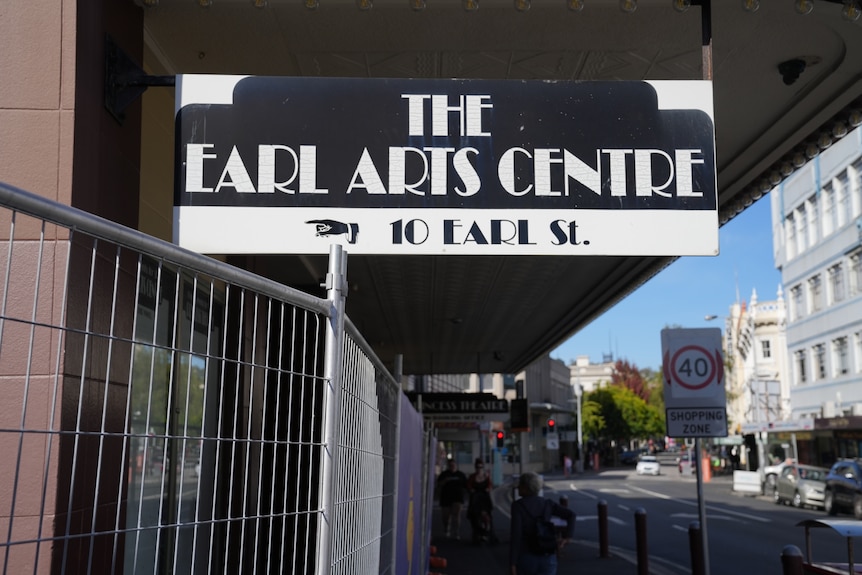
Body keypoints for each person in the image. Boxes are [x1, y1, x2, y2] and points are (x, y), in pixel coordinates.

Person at [510, 472, 575, 575]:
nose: (517, 487)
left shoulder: (518, 506)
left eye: (520, 485)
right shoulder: (547, 503)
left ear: (525, 488)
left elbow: (516, 536)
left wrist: (512, 563)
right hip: (548, 556)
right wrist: (567, 537)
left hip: (526, 556)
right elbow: (571, 515)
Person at [437, 458, 468, 539]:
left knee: (456, 515)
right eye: (450, 466)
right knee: (446, 516)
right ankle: (446, 528)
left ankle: (456, 531)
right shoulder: (444, 474)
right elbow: (439, 484)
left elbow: (466, 485)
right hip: (446, 497)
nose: (452, 467)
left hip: (457, 497)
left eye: (453, 465)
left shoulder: (461, 475)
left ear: (456, 466)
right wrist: (445, 481)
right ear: (448, 466)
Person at [467, 458, 495, 544]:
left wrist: (488, 489)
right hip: (475, 500)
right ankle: (477, 535)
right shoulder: (472, 477)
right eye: (477, 467)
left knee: (486, 517)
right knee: (475, 518)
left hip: (484, 500)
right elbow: (469, 486)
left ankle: (486, 534)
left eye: (481, 467)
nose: (479, 469)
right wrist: (471, 490)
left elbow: (490, 486)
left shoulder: (486, 477)